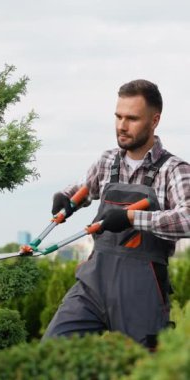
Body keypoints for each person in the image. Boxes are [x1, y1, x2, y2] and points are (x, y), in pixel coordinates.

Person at [42, 79, 190, 350]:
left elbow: (188, 219)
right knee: (51, 352)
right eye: (118, 116)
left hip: (141, 291)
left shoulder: (174, 169)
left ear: (154, 120)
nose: (122, 125)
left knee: (145, 369)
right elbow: (85, 188)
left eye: (132, 118)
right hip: (93, 283)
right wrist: (67, 197)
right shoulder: (109, 160)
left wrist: (132, 218)